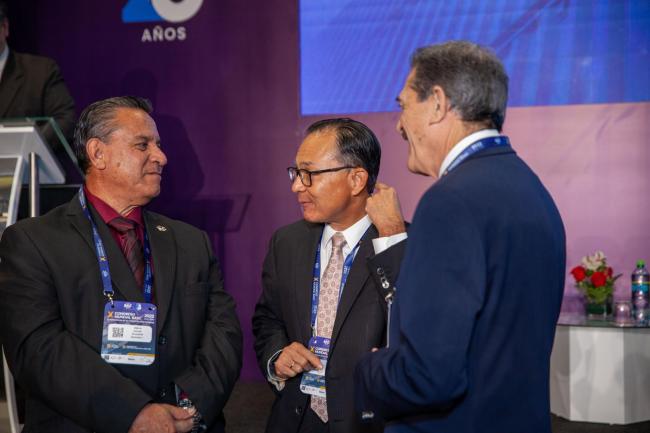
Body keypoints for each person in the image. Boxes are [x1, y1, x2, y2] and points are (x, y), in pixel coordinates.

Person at [354, 41, 566, 432]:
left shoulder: (449, 202)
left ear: (437, 104)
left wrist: (368, 369)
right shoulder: (532, 190)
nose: (398, 125)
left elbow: (428, 376)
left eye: (403, 105)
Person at [0, 96, 242, 433]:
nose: (161, 157)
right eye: (143, 145)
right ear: (97, 153)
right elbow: (39, 350)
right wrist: (133, 413)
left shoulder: (191, 242)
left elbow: (223, 334)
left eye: (158, 145)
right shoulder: (32, 242)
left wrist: (188, 405)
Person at [252, 118, 407, 433]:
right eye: (296, 173)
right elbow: (268, 319)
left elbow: (411, 330)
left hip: (367, 422)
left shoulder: (402, 245)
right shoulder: (287, 241)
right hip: (295, 420)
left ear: (356, 179)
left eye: (309, 174)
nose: (297, 186)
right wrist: (277, 356)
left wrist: (392, 240)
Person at [0, 0, 75, 144]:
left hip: (27, 156)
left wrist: (27, 145)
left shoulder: (41, 71)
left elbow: (65, 120)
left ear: (5, 27)